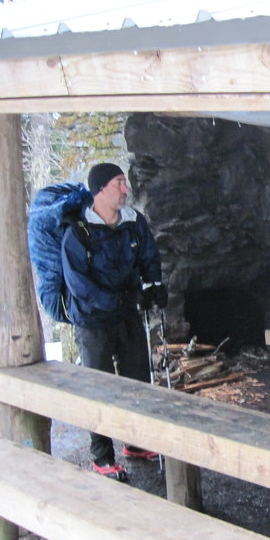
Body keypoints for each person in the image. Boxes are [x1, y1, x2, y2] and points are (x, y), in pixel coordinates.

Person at [62, 162, 168, 480]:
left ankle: (136, 443)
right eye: (118, 183)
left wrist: (154, 286)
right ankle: (102, 456)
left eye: (124, 182)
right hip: (93, 320)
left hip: (127, 315)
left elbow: (149, 258)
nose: (125, 189)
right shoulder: (77, 232)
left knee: (137, 377)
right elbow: (78, 285)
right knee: (99, 385)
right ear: (100, 190)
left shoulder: (134, 223)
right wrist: (119, 300)